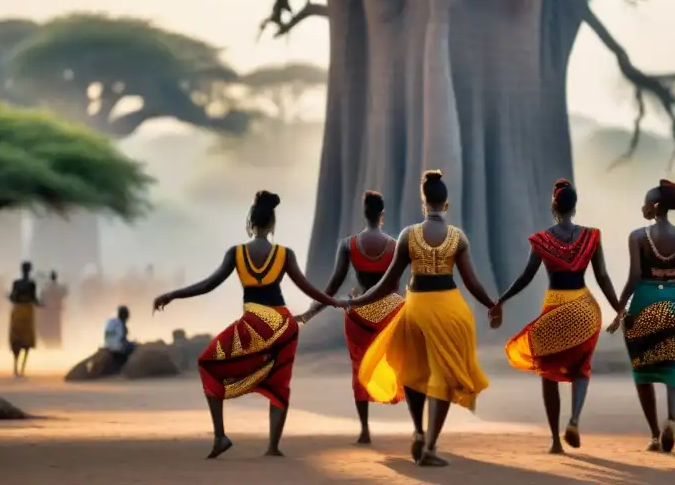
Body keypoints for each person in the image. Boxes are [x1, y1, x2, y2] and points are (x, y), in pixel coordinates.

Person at [152, 190, 345, 459]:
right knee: (279, 381)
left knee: (209, 363)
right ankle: (273, 447)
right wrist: (337, 303)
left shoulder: (237, 253)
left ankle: (220, 436)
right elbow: (309, 289)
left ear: (250, 222)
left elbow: (208, 285)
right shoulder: (284, 254)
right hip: (281, 324)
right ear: (272, 223)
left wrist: (173, 294)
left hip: (254, 323)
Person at [345, 170, 496, 468]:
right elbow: (472, 282)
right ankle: (430, 446)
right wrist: (492, 305)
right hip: (451, 311)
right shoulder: (457, 237)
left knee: (412, 371)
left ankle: (417, 430)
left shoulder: (408, 235)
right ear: (446, 204)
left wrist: (357, 300)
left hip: (415, 310)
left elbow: (389, 284)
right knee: (445, 375)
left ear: (423, 202)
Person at [490, 178, 622, 453]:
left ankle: (554, 441)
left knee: (548, 374)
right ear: (575, 207)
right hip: (585, 310)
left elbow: (526, 277)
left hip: (555, 311)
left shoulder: (542, 240)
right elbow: (603, 277)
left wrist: (501, 300)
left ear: (554, 206)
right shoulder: (592, 237)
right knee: (581, 369)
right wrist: (619, 308)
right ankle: (573, 420)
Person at [607, 179, 675, 454]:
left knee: (642, 370)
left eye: (645, 202)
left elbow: (634, 277)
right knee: (673, 365)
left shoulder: (637, 237)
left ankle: (655, 435)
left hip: (645, 300)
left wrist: (620, 311)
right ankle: (671, 419)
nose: (642, 206)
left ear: (654, 206)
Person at [298, 190, 406, 444]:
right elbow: (395, 284)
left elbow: (334, 284)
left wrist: (311, 312)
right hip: (390, 311)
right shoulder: (395, 245)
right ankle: (417, 427)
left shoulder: (349, 244)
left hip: (358, 314)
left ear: (364, 213)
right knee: (401, 362)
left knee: (359, 369)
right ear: (382, 214)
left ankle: (365, 430)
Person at [8, 261, 40, 378]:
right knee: (26, 342)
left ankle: (15, 368)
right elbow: (34, 299)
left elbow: (12, 297)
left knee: (16, 340)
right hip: (27, 311)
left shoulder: (16, 283)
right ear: (30, 270)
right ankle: (21, 369)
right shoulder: (31, 284)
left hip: (17, 311)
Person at [39, 271, 67, 349]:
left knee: (51, 328)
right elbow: (64, 293)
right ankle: (55, 344)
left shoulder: (46, 287)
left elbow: (42, 298)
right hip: (54, 312)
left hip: (49, 312)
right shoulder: (58, 287)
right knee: (55, 328)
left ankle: (50, 344)